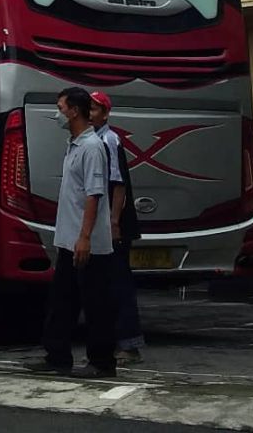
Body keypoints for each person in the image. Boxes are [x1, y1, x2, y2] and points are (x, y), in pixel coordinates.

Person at [29, 86, 116, 378]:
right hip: (68, 240)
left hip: (87, 243)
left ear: (74, 111)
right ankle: (57, 356)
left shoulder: (92, 147)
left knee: (95, 304)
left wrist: (85, 237)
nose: (58, 114)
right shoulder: (74, 144)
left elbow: (94, 195)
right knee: (61, 302)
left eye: (61, 108)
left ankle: (102, 362)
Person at [90, 90, 146, 365]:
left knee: (119, 283)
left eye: (95, 108)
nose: (90, 112)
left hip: (115, 224)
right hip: (104, 222)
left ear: (105, 113)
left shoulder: (109, 140)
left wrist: (113, 222)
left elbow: (118, 184)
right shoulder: (94, 140)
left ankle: (129, 343)